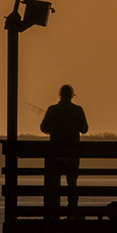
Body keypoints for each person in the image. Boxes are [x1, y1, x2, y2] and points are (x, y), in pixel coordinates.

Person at [40, 84, 89, 213]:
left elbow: (44, 128)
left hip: (54, 154)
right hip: (72, 153)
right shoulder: (77, 110)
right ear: (72, 96)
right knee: (72, 184)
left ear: (60, 95)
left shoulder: (52, 110)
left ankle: (54, 212)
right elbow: (84, 129)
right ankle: (72, 210)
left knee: (54, 184)